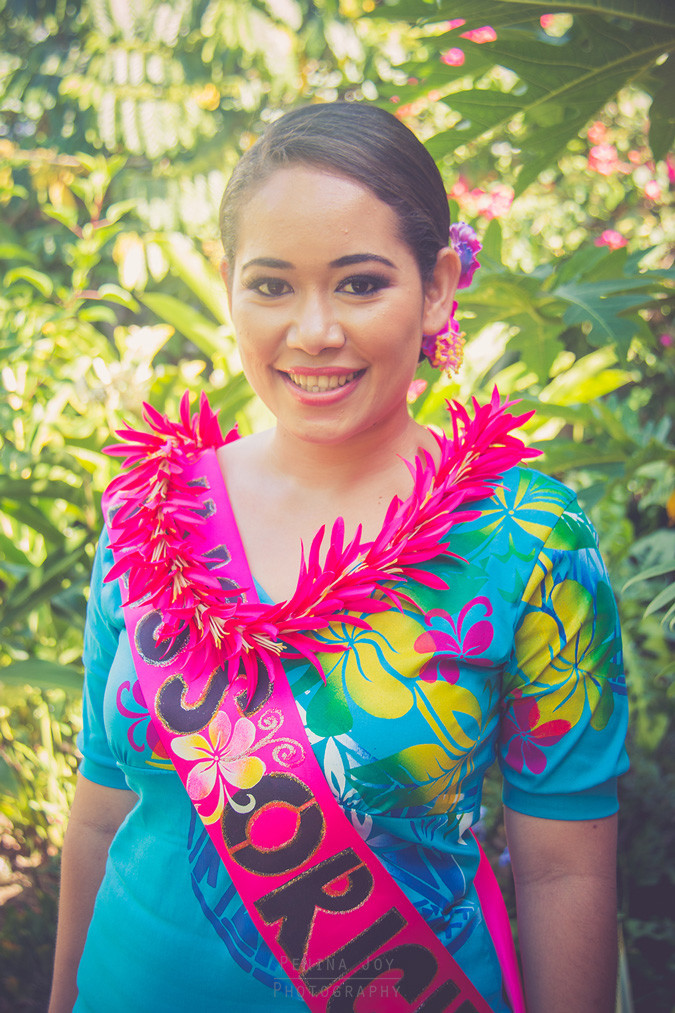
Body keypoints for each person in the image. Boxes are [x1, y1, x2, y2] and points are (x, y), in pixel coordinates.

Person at [49, 103, 628, 1013]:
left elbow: (564, 873)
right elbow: (99, 813)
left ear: (438, 287)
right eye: (271, 286)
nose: (313, 331)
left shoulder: (528, 541)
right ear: (228, 285)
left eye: (359, 284)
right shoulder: (148, 513)